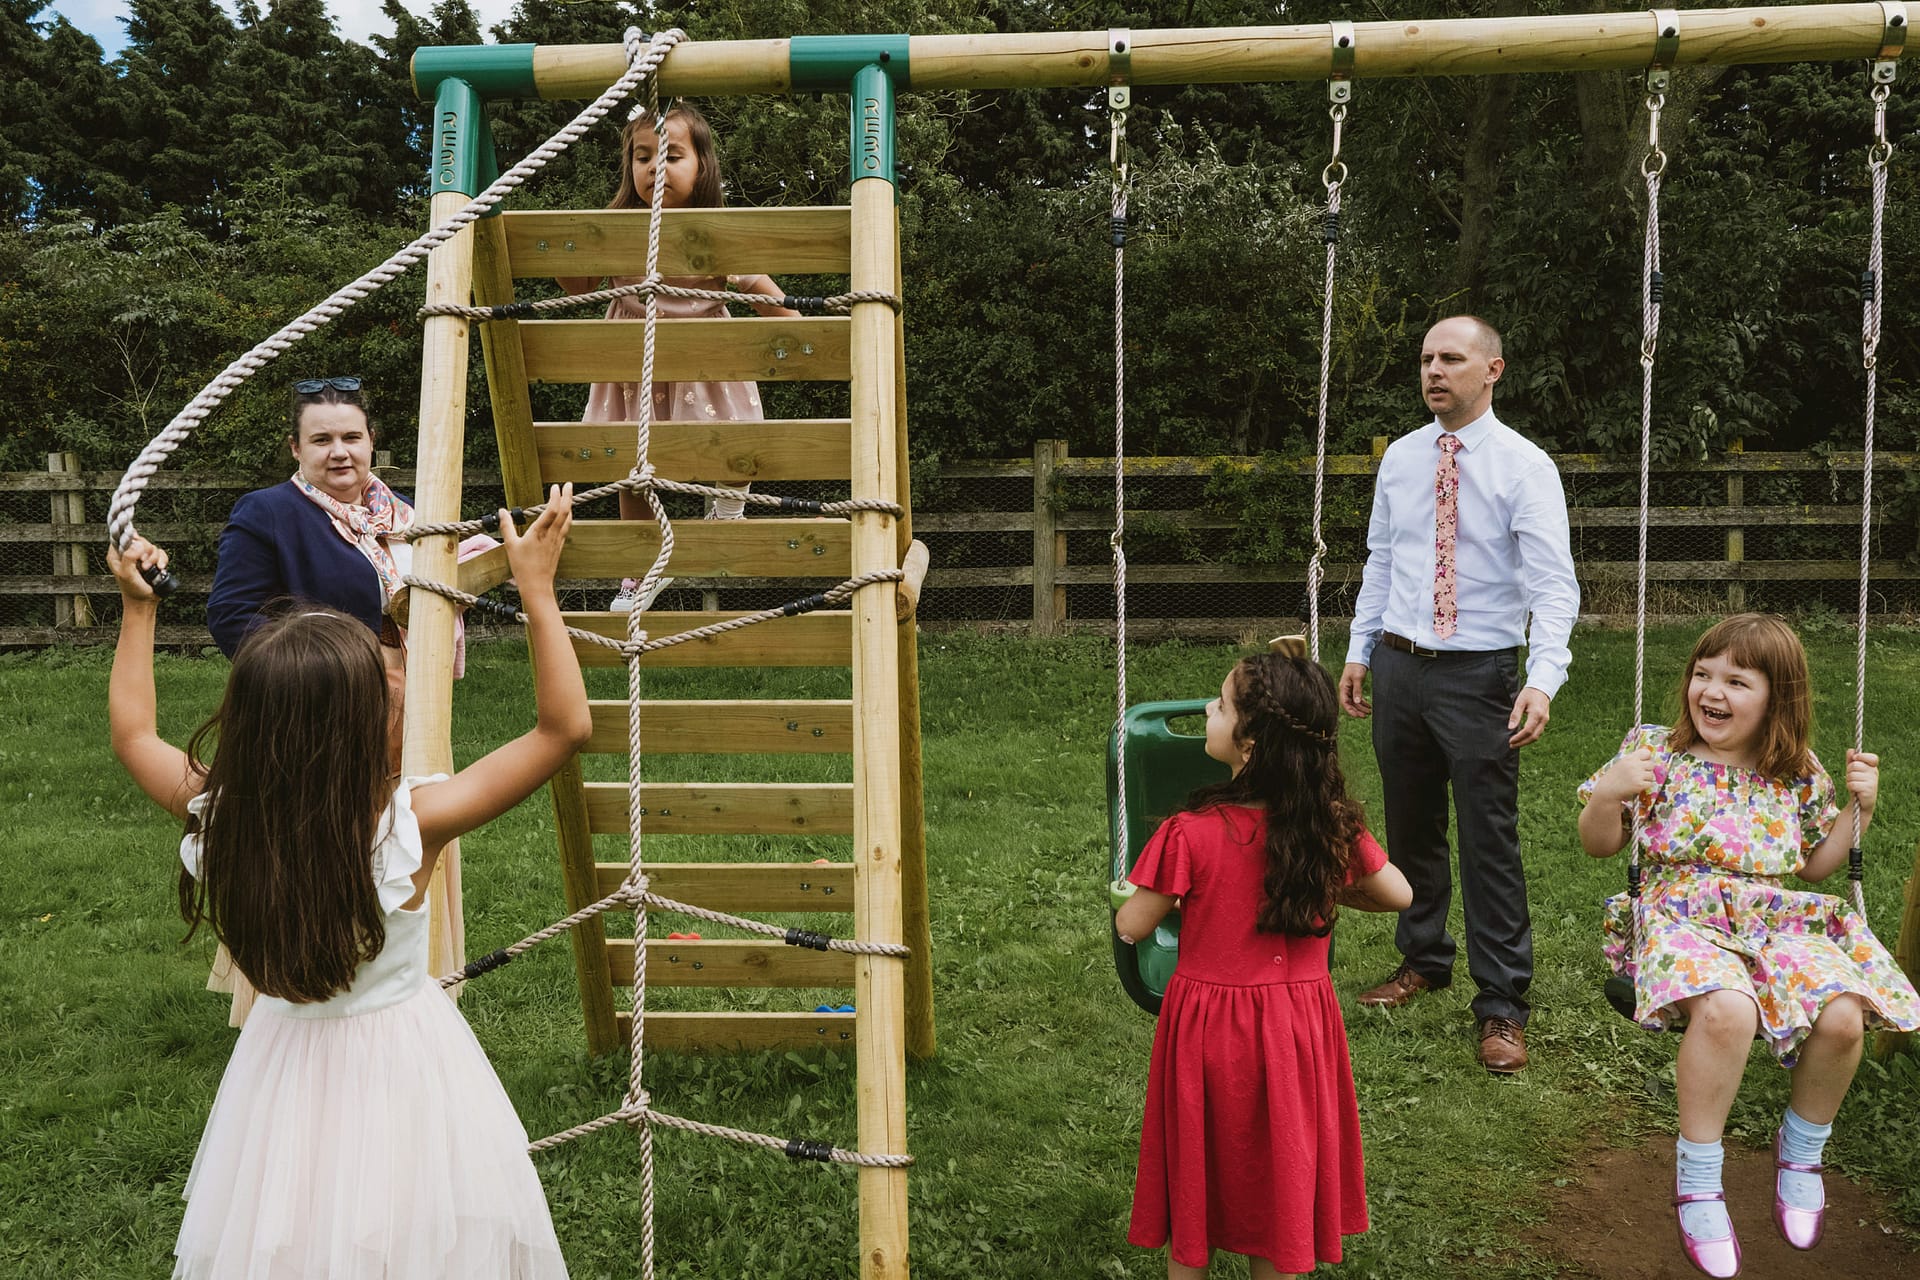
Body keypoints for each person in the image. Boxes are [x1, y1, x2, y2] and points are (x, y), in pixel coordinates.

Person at [107, 485, 590, 1280]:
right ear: (353, 728)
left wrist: (138, 610)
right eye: (385, 678)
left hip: (278, 1070)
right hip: (405, 1067)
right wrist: (537, 591)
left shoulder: (222, 814)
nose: (398, 678)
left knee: (292, 1230)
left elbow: (133, 734)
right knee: (414, 1234)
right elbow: (563, 729)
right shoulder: (411, 827)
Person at [1578, 614, 1918, 1278]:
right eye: (1703, 674)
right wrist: (1612, 793)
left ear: (1777, 699)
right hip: (1679, 912)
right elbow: (1601, 841)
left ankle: (1802, 1151)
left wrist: (1861, 812)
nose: (1712, 690)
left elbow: (1817, 867)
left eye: (1736, 680)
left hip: (1773, 919)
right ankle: (1700, 1179)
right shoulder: (1656, 752)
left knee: (1845, 1017)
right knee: (1728, 1011)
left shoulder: (1796, 773)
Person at [1115, 640, 1412, 1279]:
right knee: (1281, 1185)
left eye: (1219, 706)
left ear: (1249, 745)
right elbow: (1399, 894)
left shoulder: (1188, 832)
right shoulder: (1327, 828)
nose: (1207, 709)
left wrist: (1137, 897)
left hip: (1207, 1035)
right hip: (1294, 1032)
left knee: (1198, 1178)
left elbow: (1133, 925)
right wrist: (1334, 885)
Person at [203, 375, 490, 1024]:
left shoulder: (411, 518)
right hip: (312, 719)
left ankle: (405, 982)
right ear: (295, 449)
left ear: (372, 442)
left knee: (405, 839)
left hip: (403, 716)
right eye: (321, 439)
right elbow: (230, 616)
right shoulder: (268, 513)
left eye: (351, 436)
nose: (340, 451)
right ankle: (293, 988)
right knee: (319, 842)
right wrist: (316, 676)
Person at [1337, 315, 1579, 1074]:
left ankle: (1502, 1003)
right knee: (1410, 827)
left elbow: (1553, 586)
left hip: (1480, 676)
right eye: (1425, 360)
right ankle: (1424, 957)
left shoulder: (1524, 467)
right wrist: (1360, 650)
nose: (1434, 371)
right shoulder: (1403, 460)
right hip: (1402, 667)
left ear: (1492, 370)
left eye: (1451, 358)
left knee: (1488, 839)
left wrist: (1542, 679)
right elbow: (1381, 561)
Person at [556, 102, 798, 612]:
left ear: (702, 166)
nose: (654, 167)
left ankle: (727, 505)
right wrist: (581, 243)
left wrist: (798, 327)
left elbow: (758, 288)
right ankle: (638, 573)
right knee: (632, 467)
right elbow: (575, 282)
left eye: (671, 155)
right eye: (642, 157)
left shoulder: (713, 230)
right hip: (633, 367)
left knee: (732, 435)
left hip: (703, 363)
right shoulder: (621, 228)